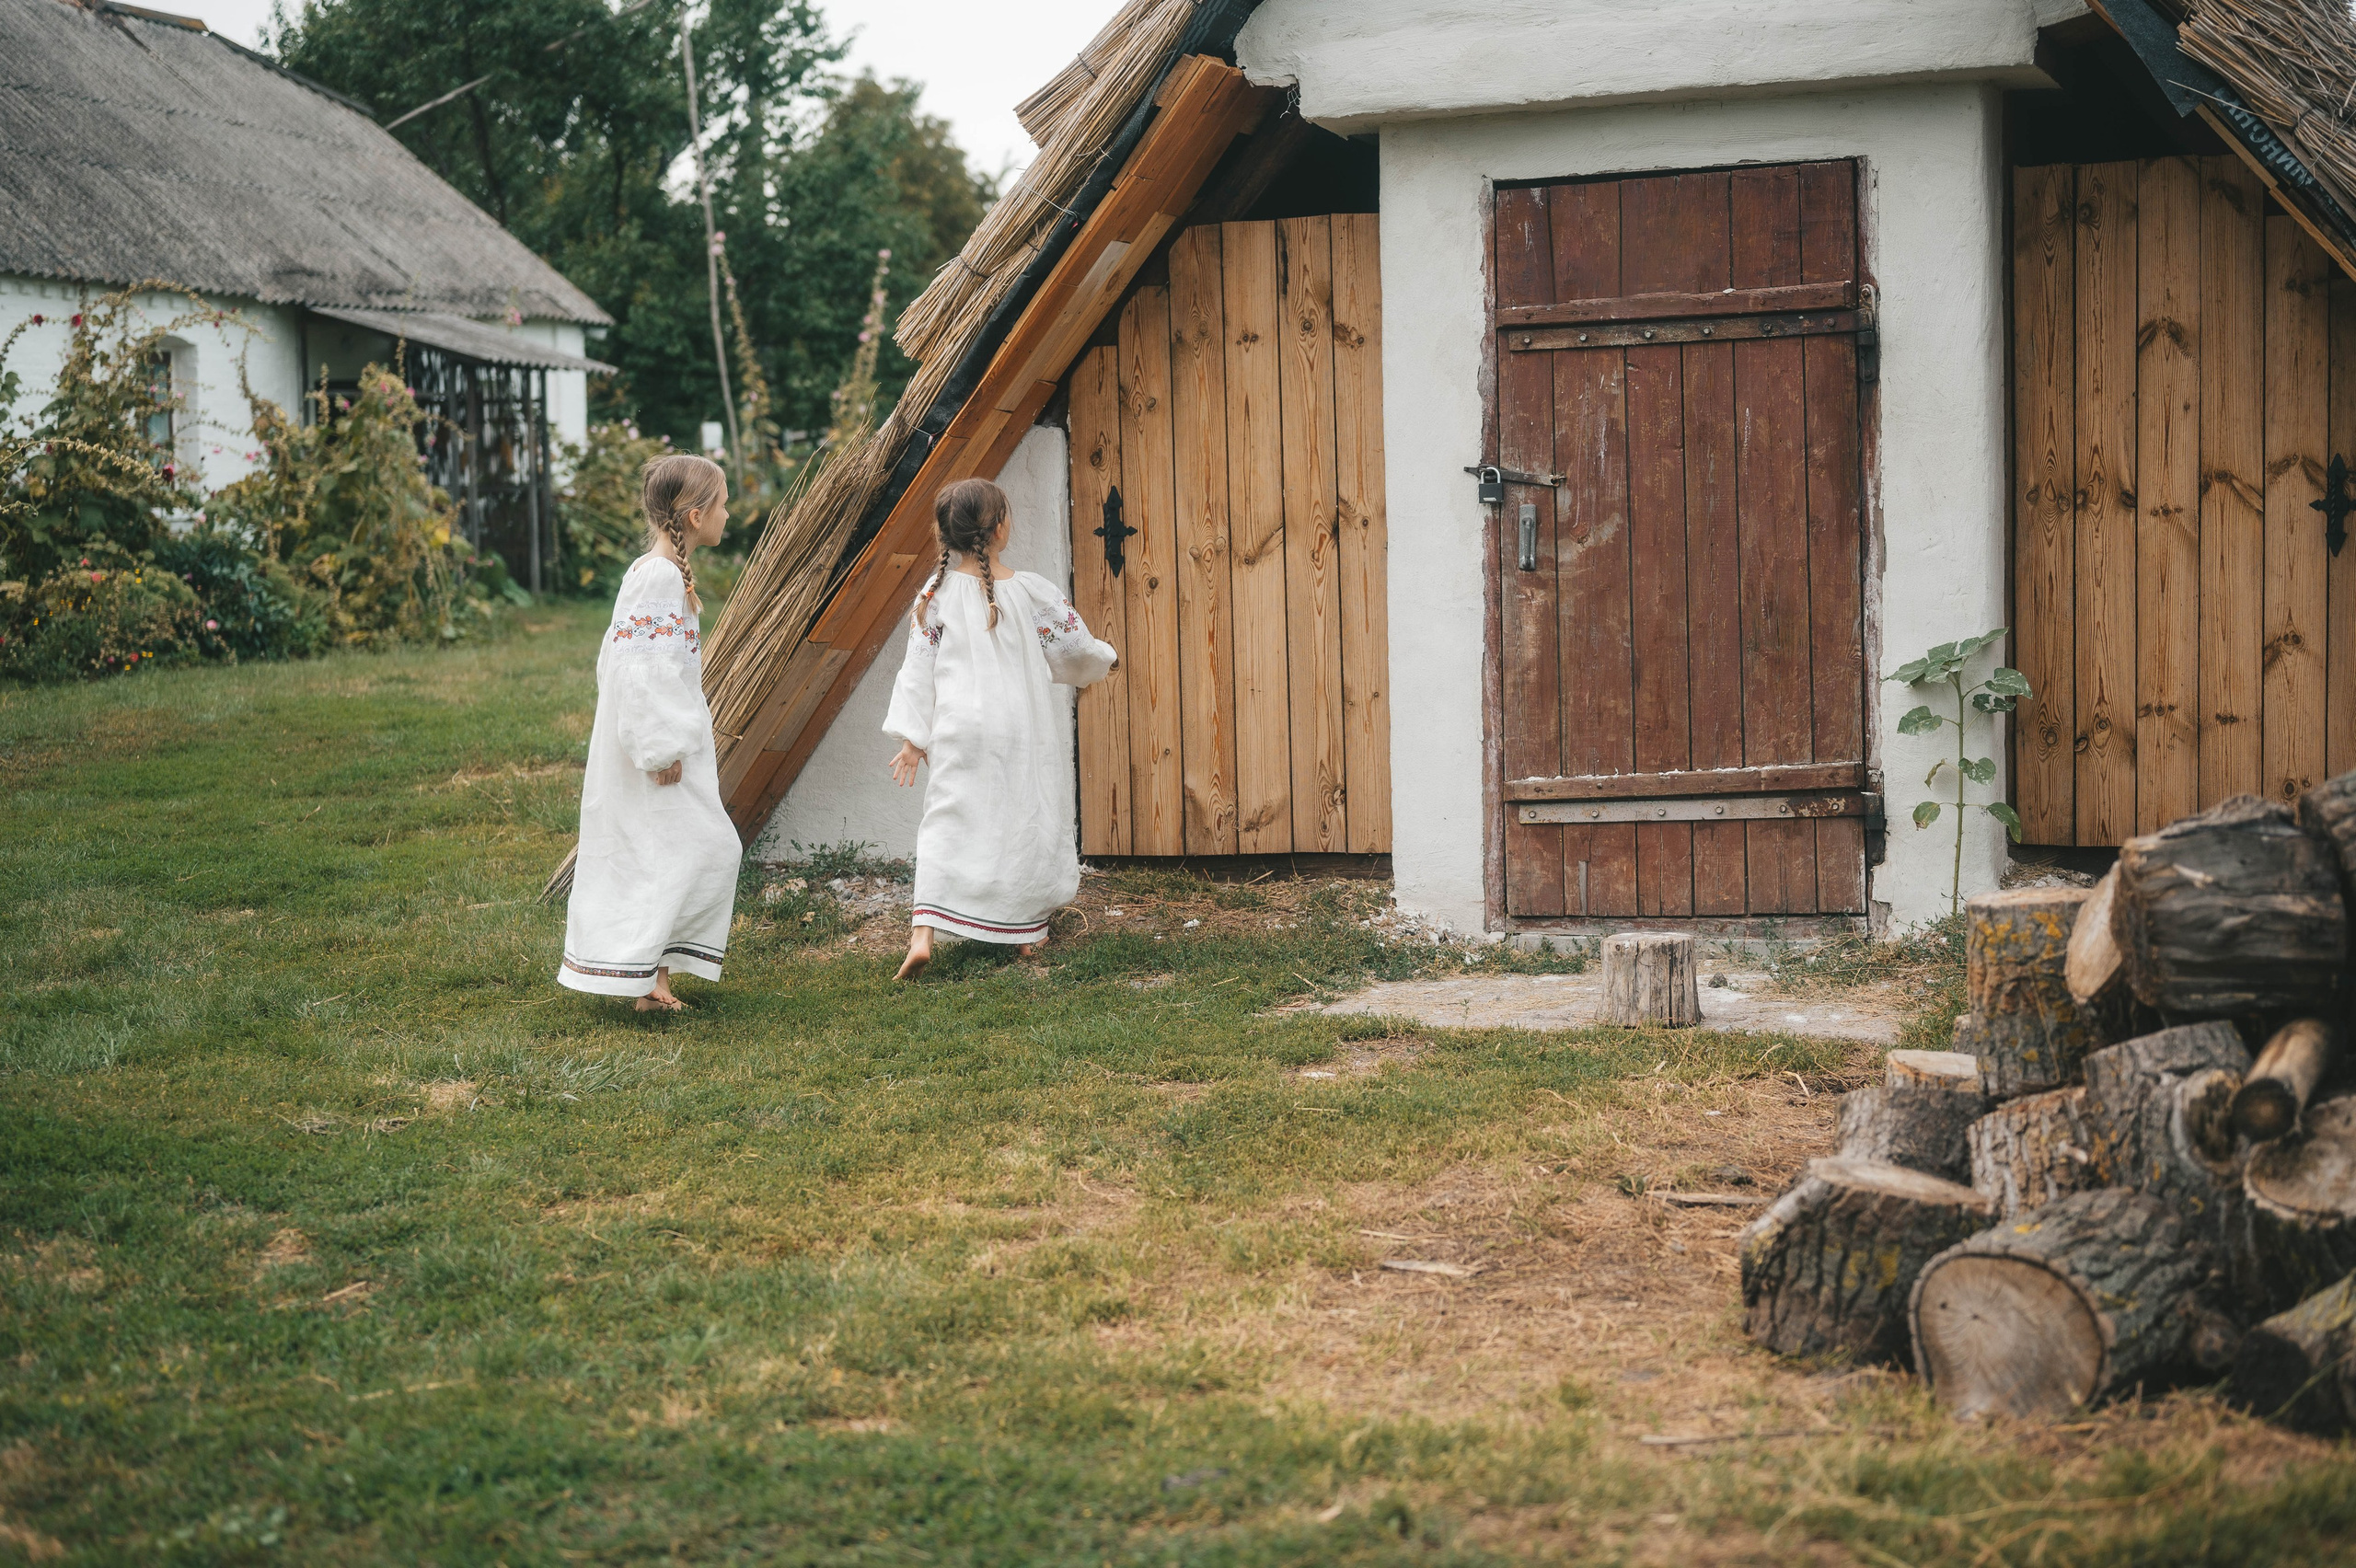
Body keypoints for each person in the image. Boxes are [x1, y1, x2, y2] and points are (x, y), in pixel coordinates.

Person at [884, 477, 1117, 979]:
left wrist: (912, 739)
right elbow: (1076, 649)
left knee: (948, 820)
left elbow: (917, 669)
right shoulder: (1031, 590)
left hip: (958, 728)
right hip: (1020, 729)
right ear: (999, 529)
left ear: (944, 532)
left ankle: (923, 931)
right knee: (1020, 818)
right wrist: (1103, 664)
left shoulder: (934, 595)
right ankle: (1019, 931)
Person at [557, 454, 742, 1011]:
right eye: (723, 504)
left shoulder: (653, 573)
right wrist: (659, 746)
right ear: (693, 515)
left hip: (657, 742)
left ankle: (653, 977)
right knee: (700, 846)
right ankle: (646, 976)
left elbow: (619, 658)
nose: (728, 515)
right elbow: (641, 667)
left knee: (673, 850)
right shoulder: (658, 577)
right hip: (656, 750)